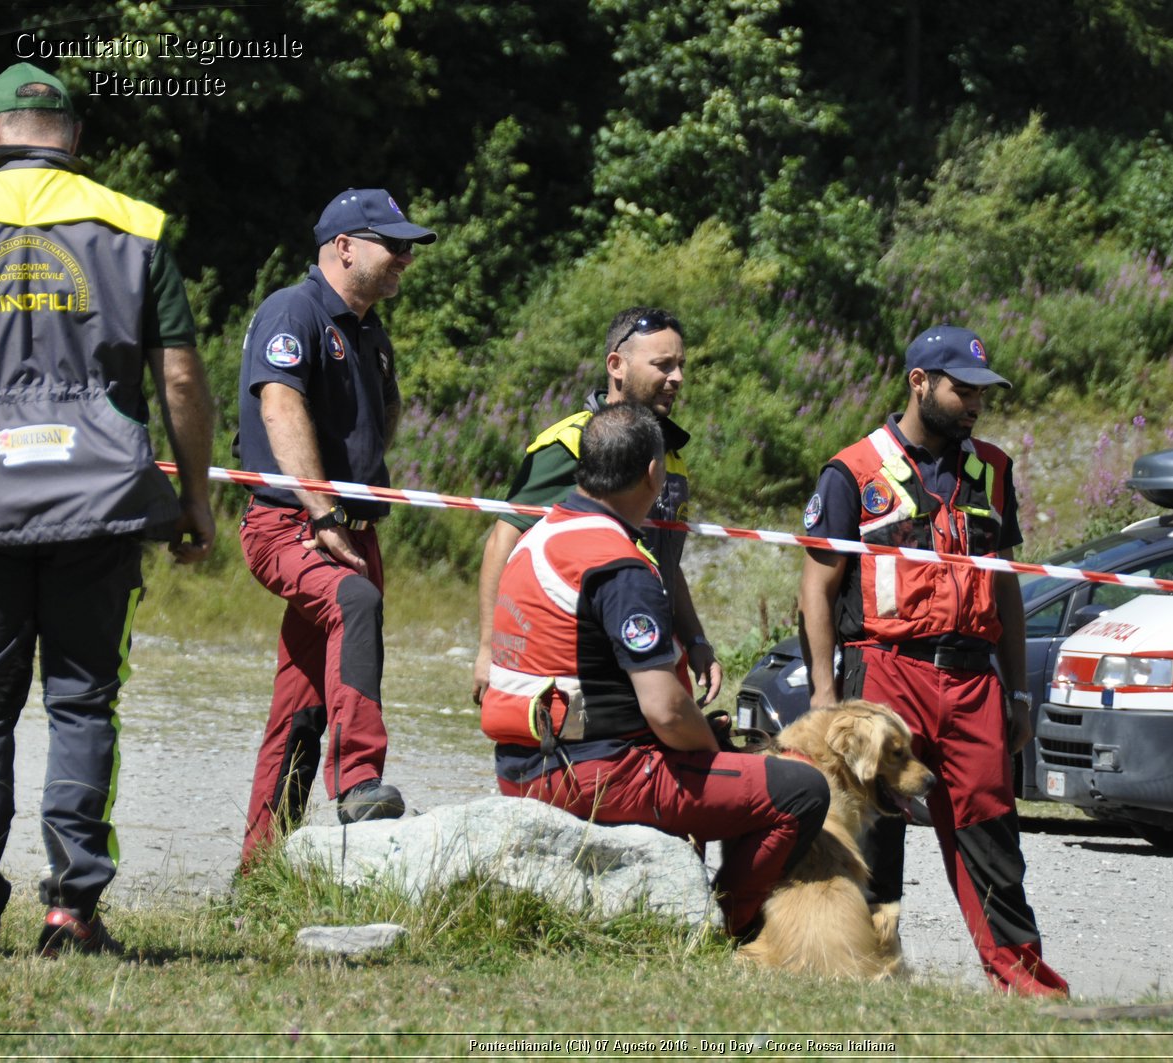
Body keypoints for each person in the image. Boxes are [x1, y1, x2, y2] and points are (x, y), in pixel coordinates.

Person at [0, 63, 216, 955]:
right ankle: (71, 912)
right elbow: (179, 376)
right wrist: (194, 498)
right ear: (70, 138)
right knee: (83, 704)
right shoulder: (135, 228)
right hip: (98, 508)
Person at [481, 402, 829, 936]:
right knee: (802, 789)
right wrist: (712, 750)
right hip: (597, 774)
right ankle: (728, 927)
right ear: (653, 473)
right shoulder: (618, 561)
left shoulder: (542, 536)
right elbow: (666, 710)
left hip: (523, 764)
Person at [797, 325, 1069, 997]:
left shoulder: (994, 470)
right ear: (920, 382)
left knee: (992, 830)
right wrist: (827, 695)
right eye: (963, 389)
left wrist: (1018, 692)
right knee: (876, 832)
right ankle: (866, 976)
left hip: (975, 677)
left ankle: (1023, 983)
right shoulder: (853, 471)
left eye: (983, 392)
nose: (976, 403)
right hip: (885, 668)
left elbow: (1004, 581)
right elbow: (817, 586)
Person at [235, 188, 434, 866]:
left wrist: (356, 494)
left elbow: (385, 415)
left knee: (302, 707)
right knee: (356, 602)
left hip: (352, 526)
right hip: (291, 522)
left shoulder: (371, 331)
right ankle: (358, 782)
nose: (406, 257)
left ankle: (261, 869)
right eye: (393, 244)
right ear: (343, 247)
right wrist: (322, 511)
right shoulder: (294, 309)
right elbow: (281, 406)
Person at [472, 307, 721, 708]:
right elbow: (505, 539)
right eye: (663, 365)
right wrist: (488, 649)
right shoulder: (569, 443)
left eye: (680, 365)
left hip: (650, 650)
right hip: (581, 662)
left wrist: (695, 640)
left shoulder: (671, 455)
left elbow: (666, 562)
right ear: (616, 365)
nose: (677, 378)